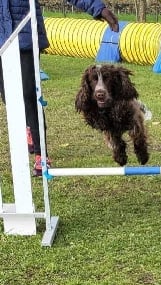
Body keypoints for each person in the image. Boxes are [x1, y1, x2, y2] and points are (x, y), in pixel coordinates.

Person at [0, 0, 119, 176]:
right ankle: (26, 130)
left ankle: (41, 154)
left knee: (28, 96)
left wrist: (98, 8)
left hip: (24, 36)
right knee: (8, 97)